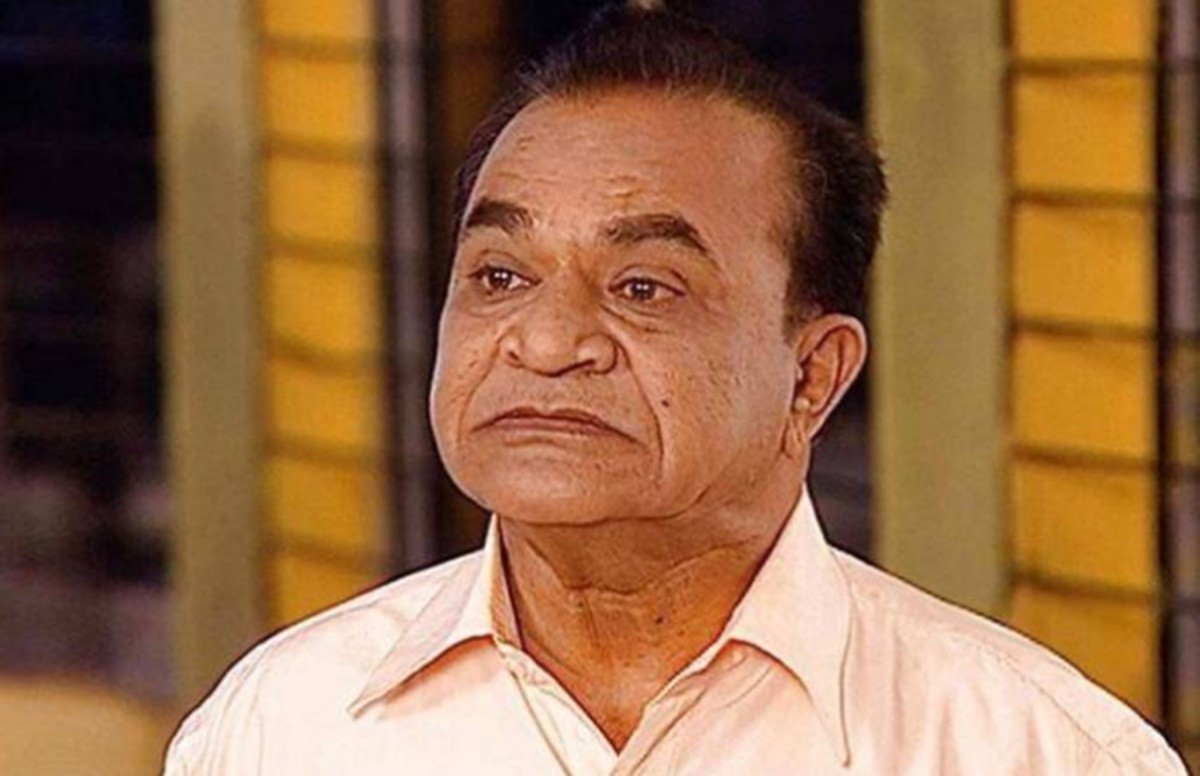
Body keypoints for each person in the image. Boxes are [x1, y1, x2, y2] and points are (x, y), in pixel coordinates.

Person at [164, 6, 1186, 774]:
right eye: (501, 275)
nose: (547, 341)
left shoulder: (1030, 749)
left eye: (643, 287)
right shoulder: (282, 727)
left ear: (813, 375)